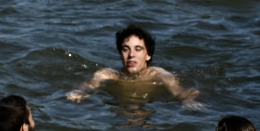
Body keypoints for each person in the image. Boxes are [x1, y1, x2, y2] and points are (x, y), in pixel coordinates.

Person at [68, 25, 198, 103]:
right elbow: (89, 85)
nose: (131, 55)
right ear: (120, 53)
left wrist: (188, 101)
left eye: (138, 49)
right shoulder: (110, 74)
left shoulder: (159, 75)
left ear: (148, 55)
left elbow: (179, 92)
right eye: (126, 49)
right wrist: (80, 91)